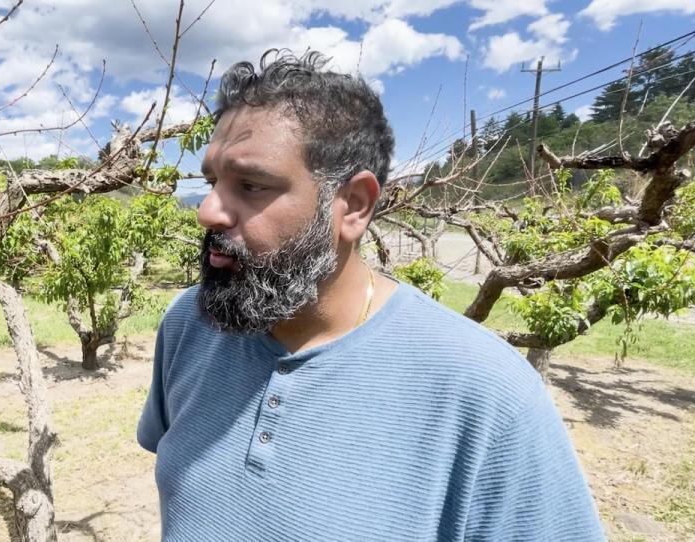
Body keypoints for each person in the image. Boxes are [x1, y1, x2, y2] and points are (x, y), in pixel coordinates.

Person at [137, 49, 605, 541]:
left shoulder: (486, 393)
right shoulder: (189, 323)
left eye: (250, 185)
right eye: (212, 181)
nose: (208, 212)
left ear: (354, 205)